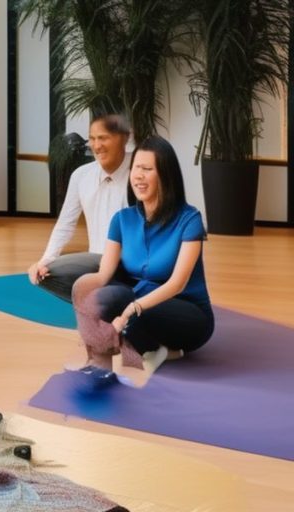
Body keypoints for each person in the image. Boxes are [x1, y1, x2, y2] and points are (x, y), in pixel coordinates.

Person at [70, 136, 213, 387]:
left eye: (147, 169)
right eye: (136, 167)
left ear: (165, 176)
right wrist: (80, 291)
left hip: (187, 313)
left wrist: (132, 309)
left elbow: (177, 284)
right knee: (102, 298)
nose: (138, 176)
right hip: (139, 304)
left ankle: (158, 346)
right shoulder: (122, 219)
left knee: (131, 311)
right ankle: (113, 362)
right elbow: (103, 275)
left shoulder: (189, 219)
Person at [27, 113, 132, 302]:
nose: (96, 145)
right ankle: (104, 301)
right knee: (45, 274)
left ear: (124, 138)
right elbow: (65, 223)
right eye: (92, 139)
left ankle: (112, 300)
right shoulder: (81, 175)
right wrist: (45, 260)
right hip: (95, 262)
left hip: (132, 264)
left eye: (103, 138)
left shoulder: (140, 171)